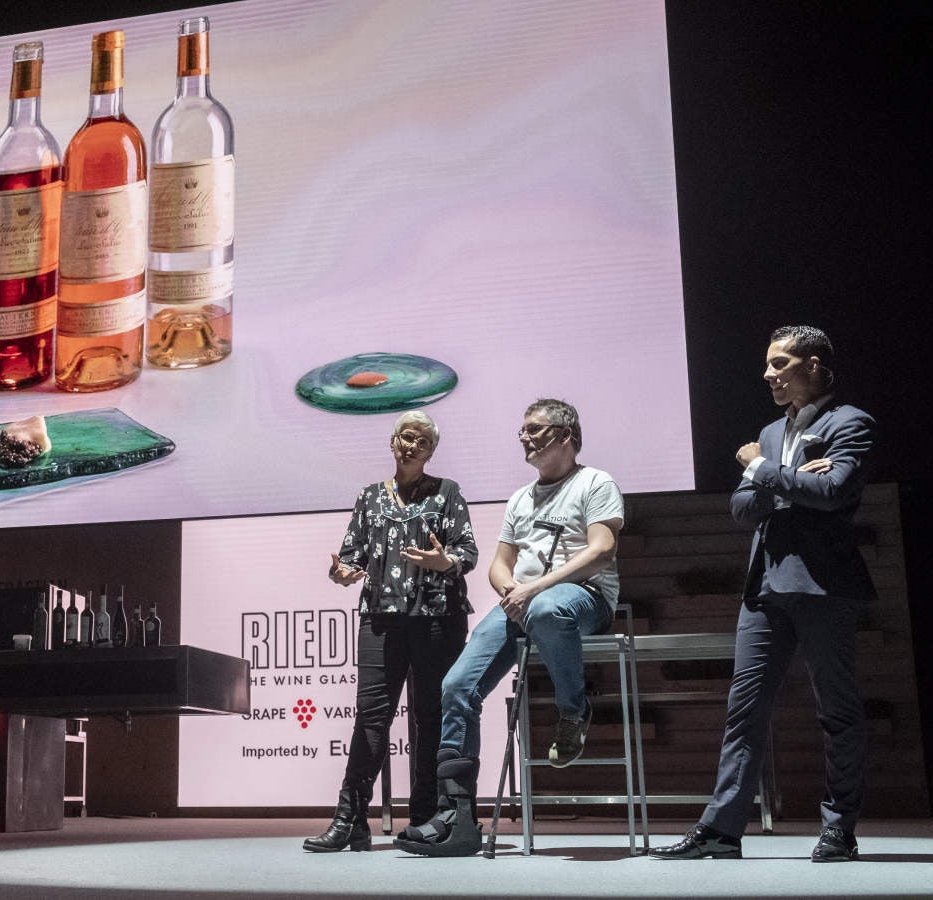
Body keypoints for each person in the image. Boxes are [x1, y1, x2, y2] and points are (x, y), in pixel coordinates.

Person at [650, 325, 877, 863]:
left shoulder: (850, 422)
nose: (768, 374)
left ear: (815, 365)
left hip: (822, 586)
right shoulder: (772, 434)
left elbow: (833, 491)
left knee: (838, 712)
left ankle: (839, 829)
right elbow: (741, 507)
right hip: (764, 587)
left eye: (781, 364)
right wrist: (786, 481)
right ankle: (722, 831)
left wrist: (762, 471)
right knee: (744, 712)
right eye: (768, 365)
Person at [396, 398, 624, 856]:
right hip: (521, 604)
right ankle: (457, 816)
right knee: (456, 685)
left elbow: (602, 550)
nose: (524, 436)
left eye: (535, 429)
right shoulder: (521, 497)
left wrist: (534, 589)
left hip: (584, 597)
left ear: (565, 436)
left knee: (547, 610)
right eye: (522, 429)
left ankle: (574, 712)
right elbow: (500, 566)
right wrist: (511, 593)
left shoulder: (595, 482)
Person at [303, 410, 478, 853]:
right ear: (392, 441)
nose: (411, 445)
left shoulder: (447, 493)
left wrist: (445, 562)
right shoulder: (369, 497)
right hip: (382, 617)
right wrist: (343, 572)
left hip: (438, 616)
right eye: (404, 436)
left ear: (431, 450)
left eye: (420, 440)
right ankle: (350, 819)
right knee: (372, 716)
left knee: (430, 718)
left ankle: (425, 818)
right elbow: (351, 556)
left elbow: (467, 551)